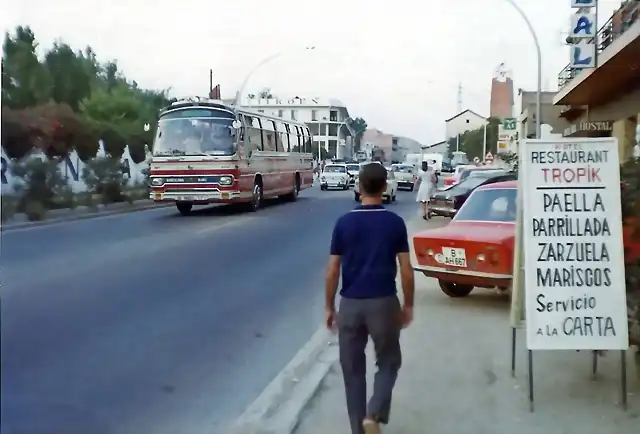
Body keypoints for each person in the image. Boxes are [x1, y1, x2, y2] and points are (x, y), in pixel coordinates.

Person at [325, 162, 415, 434]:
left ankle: (359, 430)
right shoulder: (395, 223)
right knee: (389, 361)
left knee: (352, 371)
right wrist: (408, 304)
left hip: (350, 304)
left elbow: (332, 271)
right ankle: (373, 413)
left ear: (358, 187)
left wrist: (329, 306)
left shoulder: (344, 223)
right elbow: (407, 271)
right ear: (385, 188)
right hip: (384, 303)